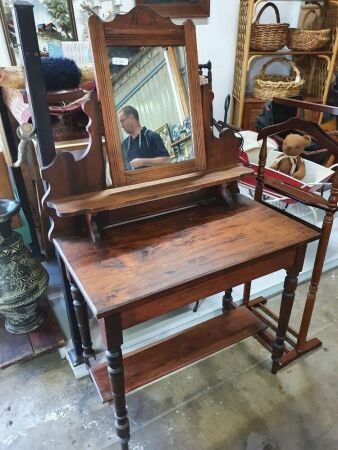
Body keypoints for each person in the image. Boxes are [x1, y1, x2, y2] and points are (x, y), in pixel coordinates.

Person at [118, 105, 171, 170]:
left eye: (122, 121)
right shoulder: (124, 145)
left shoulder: (151, 136)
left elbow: (167, 161)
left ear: (131, 118)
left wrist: (143, 162)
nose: (121, 126)